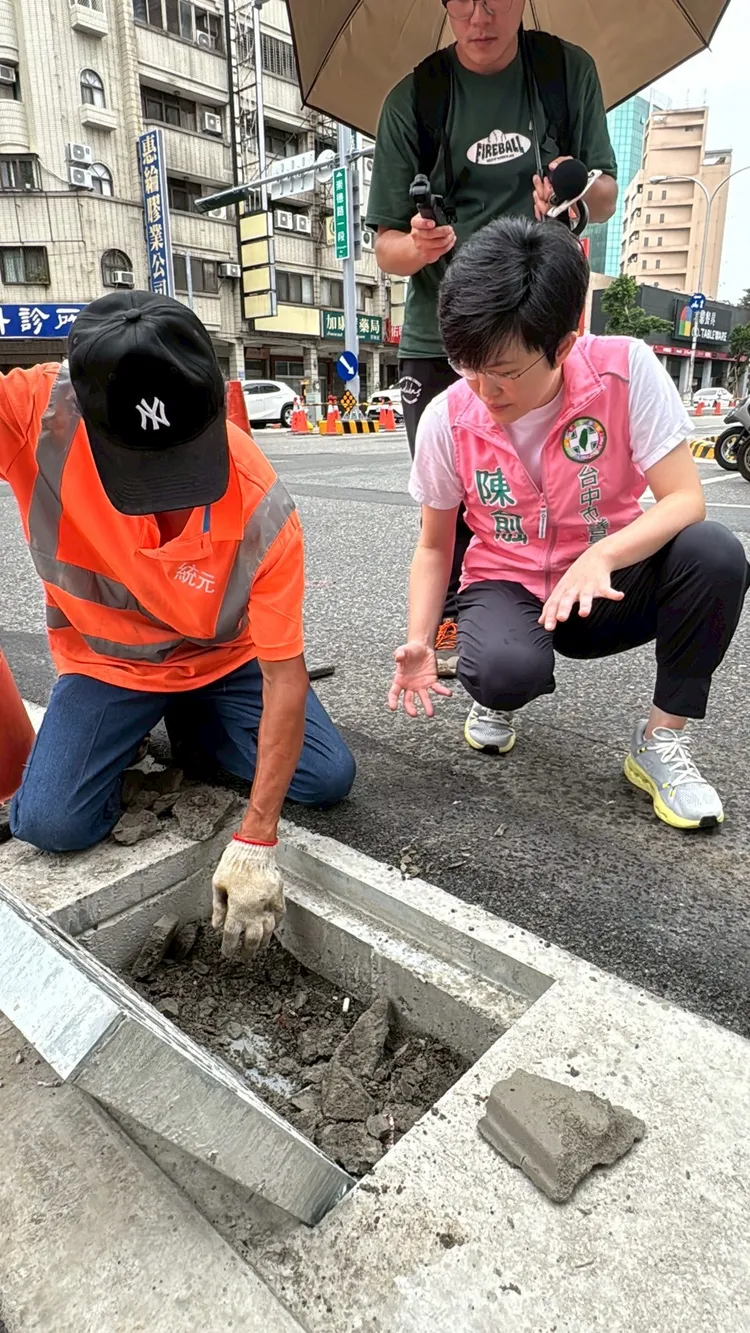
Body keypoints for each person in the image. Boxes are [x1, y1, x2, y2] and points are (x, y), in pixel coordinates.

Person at [1, 290, 355, 956]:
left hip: (225, 664)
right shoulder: (35, 415)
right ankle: (136, 739)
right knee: (50, 820)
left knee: (325, 777)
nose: (169, 497)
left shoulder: (260, 506)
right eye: (143, 470)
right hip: (110, 669)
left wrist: (255, 838)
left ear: (217, 406)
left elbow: (284, 676)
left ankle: (194, 731)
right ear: (83, 411)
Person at [388, 217, 749, 830]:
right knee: (503, 673)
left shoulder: (626, 370)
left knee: (716, 553)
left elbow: (686, 500)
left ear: (563, 341)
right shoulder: (448, 415)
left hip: (603, 587)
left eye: (503, 369)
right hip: (509, 584)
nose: (482, 388)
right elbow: (434, 543)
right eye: (466, 364)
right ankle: (496, 695)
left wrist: (603, 555)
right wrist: (421, 640)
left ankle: (660, 742)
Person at [367, 0, 618, 675]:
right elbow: (384, 248)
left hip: (539, 324)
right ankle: (457, 625)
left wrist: (572, 190)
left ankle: (526, 616)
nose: (480, 14)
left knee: (542, 482)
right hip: (443, 331)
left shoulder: (566, 73)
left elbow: (605, 196)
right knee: (451, 500)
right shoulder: (414, 99)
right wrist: (416, 245)